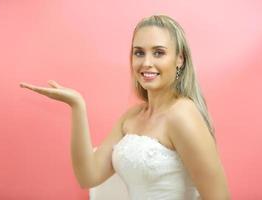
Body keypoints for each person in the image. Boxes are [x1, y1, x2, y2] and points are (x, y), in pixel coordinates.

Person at [20, 15, 230, 200]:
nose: (146, 62)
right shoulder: (132, 116)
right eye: (139, 53)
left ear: (179, 60)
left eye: (158, 53)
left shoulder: (182, 114)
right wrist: (77, 106)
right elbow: (88, 176)